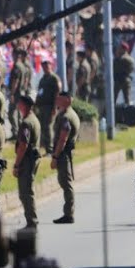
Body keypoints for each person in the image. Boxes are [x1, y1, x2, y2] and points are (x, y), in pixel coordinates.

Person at [50, 91, 80, 224]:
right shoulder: (66, 114)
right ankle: (68, 212)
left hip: (63, 154)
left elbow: (63, 138)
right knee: (64, 182)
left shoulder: (66, 117)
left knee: (66, 183)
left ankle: (69, 213)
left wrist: (55, 157)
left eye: (60, 99)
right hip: (64, 153)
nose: (57, 101)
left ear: (67, 100)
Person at [13, 94, 41, 228]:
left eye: (20, 103)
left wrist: (17, 164)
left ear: (24, 105)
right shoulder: (33, 119)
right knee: (26, 190)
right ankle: (31, 219)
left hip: (27, 160)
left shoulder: (26, 123)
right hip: (32, 158)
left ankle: (32, 220)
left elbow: (23, 145)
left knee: (25, 192)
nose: (18, 105)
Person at [34, 60, 61, 157]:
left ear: (51, 66)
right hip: (42, 106)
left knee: (48, 127)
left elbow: (57, 93)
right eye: (44, 66)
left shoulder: (54, 78)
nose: (45, 68)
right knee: (43, 127)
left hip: (50, 106)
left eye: (47, 66)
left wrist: (55, 107)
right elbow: (40, 91)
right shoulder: (43, 79)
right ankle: (45, 146)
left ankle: (50, 149)